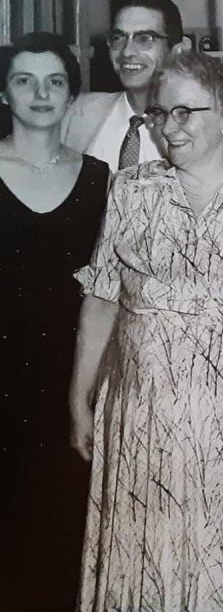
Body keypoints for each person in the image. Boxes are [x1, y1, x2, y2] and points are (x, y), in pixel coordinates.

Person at [69, 49, 223, 612]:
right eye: (159, 114)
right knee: (146, 557)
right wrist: (79, 399)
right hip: (145, 416)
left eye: (184, 113)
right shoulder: (132, 190)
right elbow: (102, 301)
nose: (168, 128)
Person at [0, 32, 109, 612]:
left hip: (72, 377)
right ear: (4, 92)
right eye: (24, 79)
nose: (40, 93)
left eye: (55, 81)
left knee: (62, 524)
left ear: (72, 96)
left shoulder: (100, 180)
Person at [61, 0, 185, 171]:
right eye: (118, 38)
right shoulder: (76, 114)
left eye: (144, 39)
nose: (127, 52)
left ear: (177, 52)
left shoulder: (200, 126)